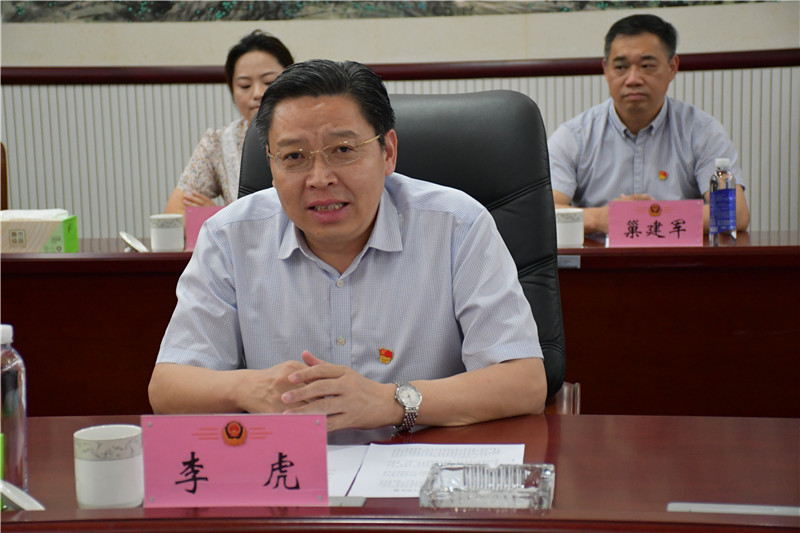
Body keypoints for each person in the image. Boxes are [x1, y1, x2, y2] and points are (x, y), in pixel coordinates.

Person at [149, 59, 547, 432]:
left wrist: (391, 401)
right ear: (271, 164)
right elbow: (167, 388)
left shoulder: (457, 225)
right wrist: (246, 388)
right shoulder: (229, 236)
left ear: (387, 152)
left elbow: (524, 384)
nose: (319, 178)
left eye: (342, 150)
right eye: (294, 156)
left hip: (419, 465)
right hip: (290, 472)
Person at [548, 14, 750, 235]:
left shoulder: (702, 131)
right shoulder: (574, 136)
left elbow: (735, 213)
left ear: (672, 67)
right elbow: (544, 213)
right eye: (621, 67)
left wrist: (650, 216)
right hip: (600, 255)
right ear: (606, 69)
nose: (633, 79)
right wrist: (603, 218)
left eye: (647, 66)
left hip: (679, 256)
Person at [164, 31, 294, 216]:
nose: (257, 93)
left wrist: (224, 216)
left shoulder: (314, 132)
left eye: (268, 82)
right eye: (245, 85)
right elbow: (174, 211)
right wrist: (222, 218)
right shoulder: (217, 142)